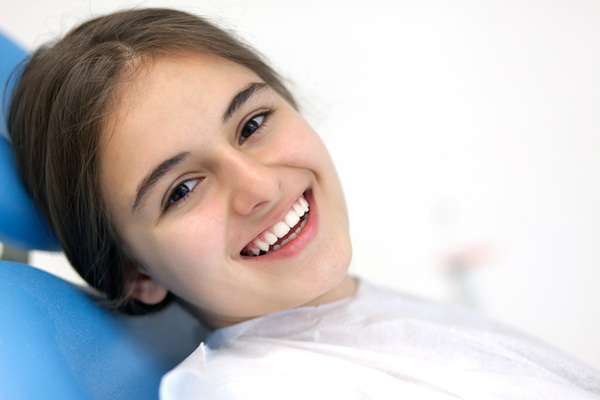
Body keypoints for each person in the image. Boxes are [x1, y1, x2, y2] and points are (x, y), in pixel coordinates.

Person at [7, 8, 600, 399]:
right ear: (136, 274)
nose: (260, 186)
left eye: (253, 122)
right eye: (182, 189)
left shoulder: (350, 310)